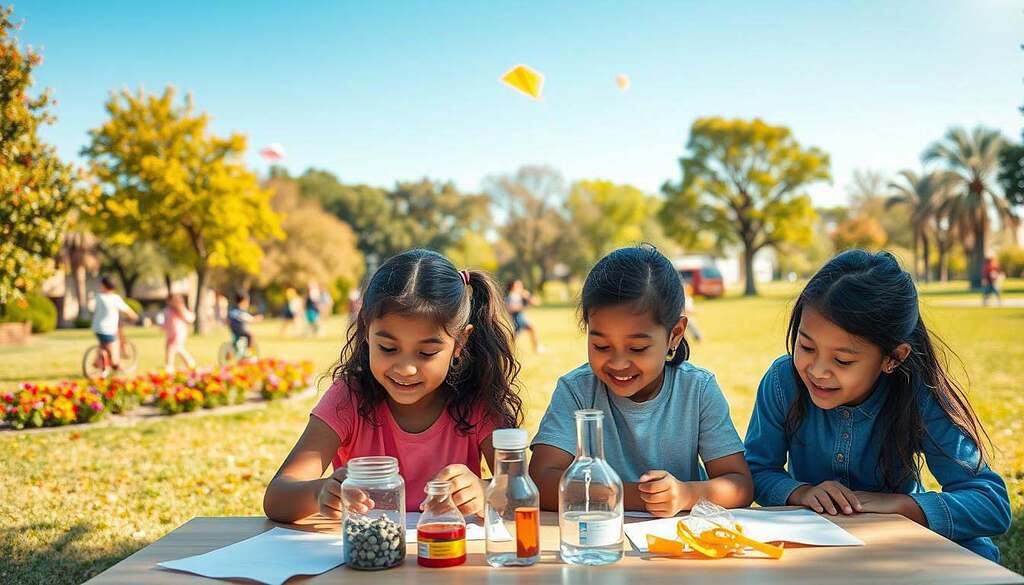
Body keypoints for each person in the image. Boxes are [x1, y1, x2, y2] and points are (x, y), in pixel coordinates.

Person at [744, 249, 1010, 561]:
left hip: (901, 549)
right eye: (806, 346)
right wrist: (800, 493)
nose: (817, 371)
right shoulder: (782, 381)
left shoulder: (919, 393)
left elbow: (990, 503)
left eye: (842, 360)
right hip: (817, 551)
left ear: (893, 358)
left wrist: (899, 506)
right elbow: (756, 470)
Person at [263, 249, 524, 522]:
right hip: (365, 561)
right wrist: (319, 493)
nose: (405, 368)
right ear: (365, 330)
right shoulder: (348, 399)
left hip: (446, 556)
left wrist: (485, 490)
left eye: (426, 353)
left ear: (459, 343)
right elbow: (278, 496)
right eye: (388, 348)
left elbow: (519, 491)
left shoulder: (476, 402)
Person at [528, 245, 753, 516]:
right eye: (600, 346)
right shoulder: (577, 390)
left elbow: (740, 485)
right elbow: (540, 480)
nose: (618, 363)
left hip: (675, 550)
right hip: (597, 542)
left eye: (637, 349)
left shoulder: (697, 390)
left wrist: (686, 494)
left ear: (675, 334)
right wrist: (637, 496)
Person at [90, 276, 138, 374]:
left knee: (103, 345)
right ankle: (116, 364)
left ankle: (98, 360)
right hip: (108, 329)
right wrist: (134, 316)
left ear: (103, 286)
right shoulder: (115, 298)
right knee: (114, 345)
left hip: (96, 327)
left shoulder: (99, 297)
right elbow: (128, 310)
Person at [505, 279, 545, 353]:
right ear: (513, 287)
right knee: (514, 337)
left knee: (532, 328)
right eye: (519, 285)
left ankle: (537, 348)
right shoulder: (511, 297)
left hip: (521, 319)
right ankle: (506, 349)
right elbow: (510, 308)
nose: (521, 287)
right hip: (515, 320)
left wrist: (528, 296)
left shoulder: (520, 296)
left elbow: (536, 302)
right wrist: (524, 307)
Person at [162, 293, 196, 373]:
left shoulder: (179, 308)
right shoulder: (168, 309)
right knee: (178, 349)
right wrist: (163, 327)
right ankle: (190, 363)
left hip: (178, 332)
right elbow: (167, 321)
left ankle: (169, 367)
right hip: (171, 332)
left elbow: (189, 318)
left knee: (172, 349)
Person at [228, 292, 261, 358]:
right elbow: (246, 317)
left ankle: (236, 351)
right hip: (240, 330)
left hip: (233, 330)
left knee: (236, 341)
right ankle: (248, 352)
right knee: (250, 335)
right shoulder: (240, 311)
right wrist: (255, 319)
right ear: (244, 301)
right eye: (248, 302)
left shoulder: (232, 310)